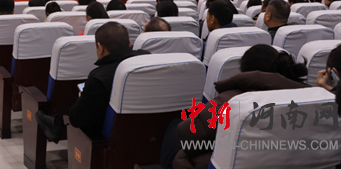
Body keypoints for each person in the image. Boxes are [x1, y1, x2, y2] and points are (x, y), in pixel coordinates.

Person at [173, 45, 309, 169]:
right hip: (288, 161)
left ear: (245, 72)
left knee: (175, 132)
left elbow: (187, 136)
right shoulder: (310, 98)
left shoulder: (230, 101)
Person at [35, 22, 151, 142]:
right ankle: (57, 122)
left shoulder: (99, 77)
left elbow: (77, 119)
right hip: (150, 127)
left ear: (100, 48)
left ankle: (57, 123)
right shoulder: (146, 60)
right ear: (129, 43)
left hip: (112, 134)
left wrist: (82, 98)